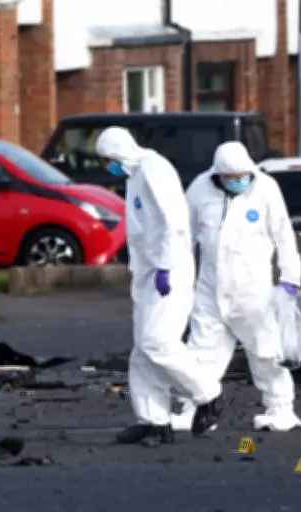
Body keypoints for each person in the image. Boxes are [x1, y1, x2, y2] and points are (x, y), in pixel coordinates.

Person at [95, 126, 225, 446]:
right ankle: (154, 421)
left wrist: (166, 266)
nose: (107, 166)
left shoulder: (153, 167)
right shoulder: (134, 175)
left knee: (157, 342)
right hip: (149, 273)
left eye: (108, 159)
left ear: (119, 152)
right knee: (143, 350)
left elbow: (173, 221)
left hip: (169, 271)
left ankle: (208, 394)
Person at [174, 141, 301, 432]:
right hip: (210, 289)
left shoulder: (266, 189)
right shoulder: (199, 190)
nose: (238, 181)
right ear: (218, 174)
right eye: (231, 177)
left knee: (266, 352)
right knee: (200, 352)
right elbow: (183, 237)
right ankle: (195, 410)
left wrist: (290, 279)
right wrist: (177, 275)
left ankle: (281, 409)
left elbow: (284, 236)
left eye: (242, 175)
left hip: (254, 291)